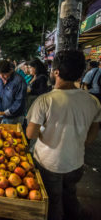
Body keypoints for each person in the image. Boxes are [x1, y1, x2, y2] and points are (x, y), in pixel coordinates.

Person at [26, 50, 100, 220]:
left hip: (49, 163)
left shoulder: (45, 101)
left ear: (57, 72)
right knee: (70, 193)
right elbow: (92, 134)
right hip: (76, 162)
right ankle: (76, 214)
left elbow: (31, 133)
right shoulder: (92, 101)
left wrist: (50, 133)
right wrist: (75, 142)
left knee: (53, 201)